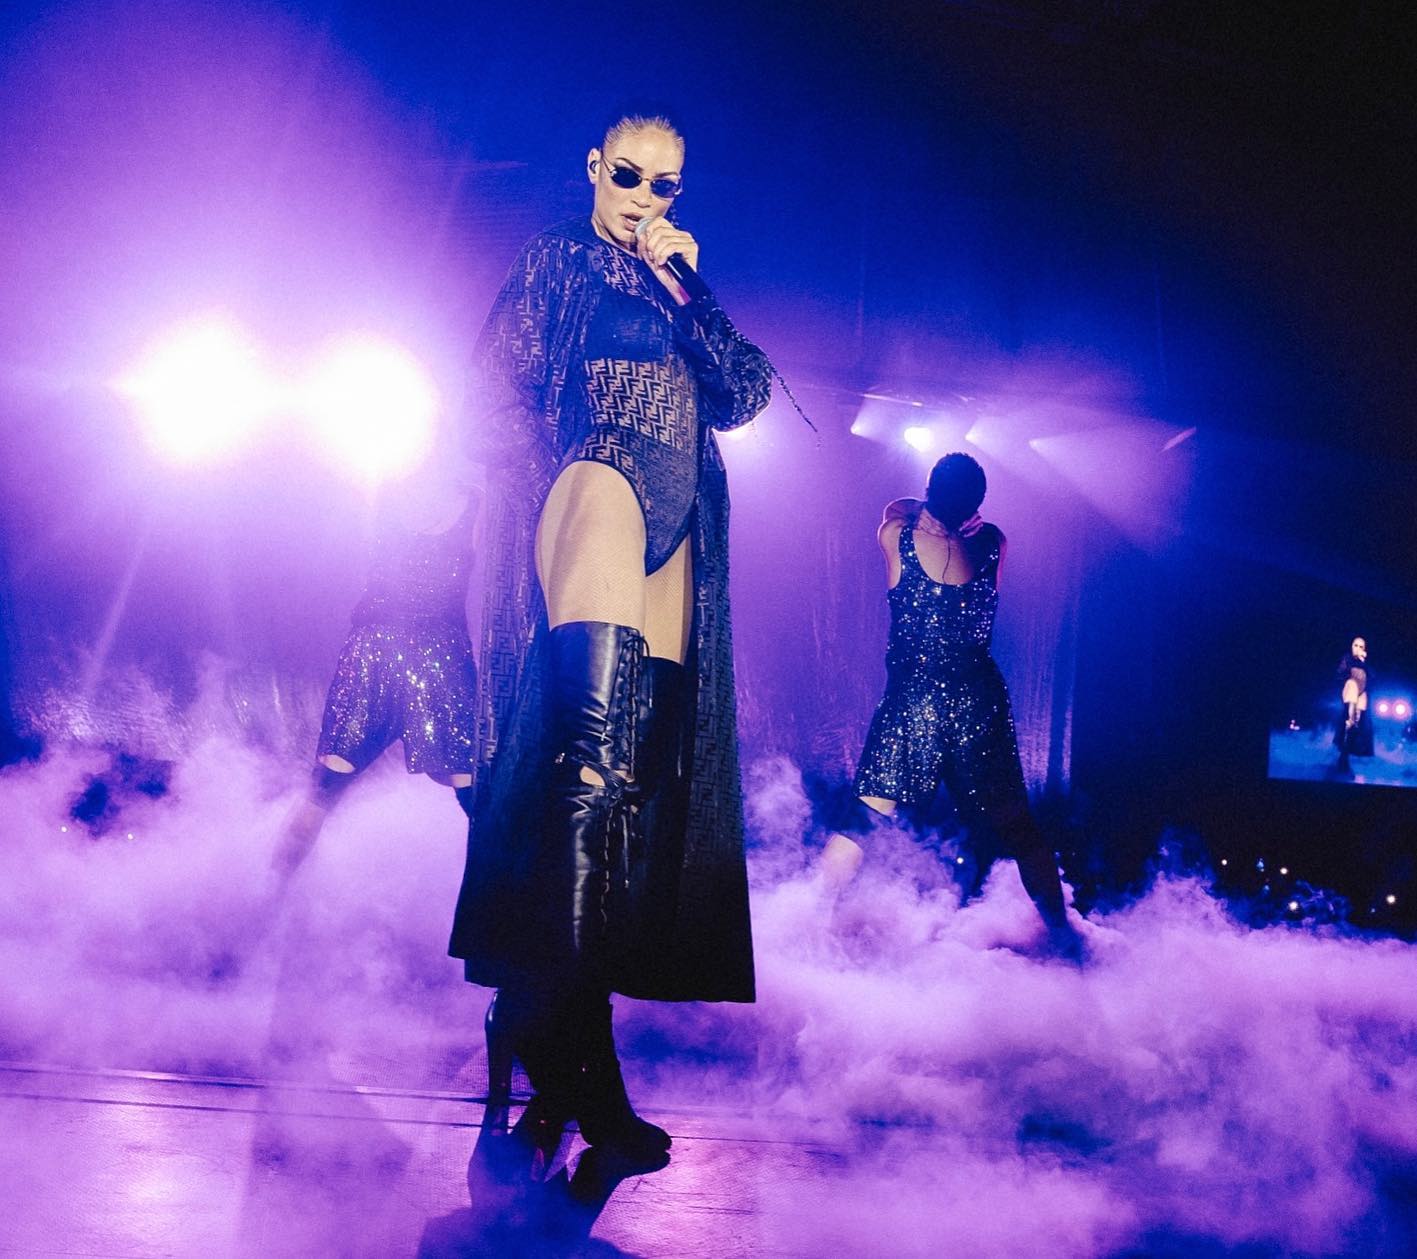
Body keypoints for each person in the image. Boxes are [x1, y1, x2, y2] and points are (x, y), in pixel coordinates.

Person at [448, 106, 772, 1170]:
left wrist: (690, 286)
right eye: (626, 175)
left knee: (632, 788)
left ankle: (539, 1029)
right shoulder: (557, 259)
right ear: (594, 167)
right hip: (598, 477)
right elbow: (488, 395)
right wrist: (549, 483)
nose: (642, 197)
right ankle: (587, 1076)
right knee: (585, 772)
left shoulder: (676, 279)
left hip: (680, 515)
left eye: (663, 183)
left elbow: (745, 393)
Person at [821, 452, 1086, 961]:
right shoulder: (992, 543)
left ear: (930, 490)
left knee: (865, 815)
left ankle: (813, 920)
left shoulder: (896, 536)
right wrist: (963, 517)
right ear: (977, 503)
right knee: (1018, 824)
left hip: (914, 698)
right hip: (976, 702)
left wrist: (926, 507)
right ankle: (1063, 933)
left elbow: (895, 508)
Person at [271, 454, 481, 877]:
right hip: (383, 652)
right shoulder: (386, 488)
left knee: (477, 797)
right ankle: (269, 893)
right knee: (326, 788)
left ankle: (505, 906)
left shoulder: (472, 501)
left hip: (431, 657)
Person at [1335, 636, 1371, 776]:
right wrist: (1355, 663)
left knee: (1355, 725)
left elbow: (1373, 676)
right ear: (1351, 646)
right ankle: (1350, 721)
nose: (1358, 649)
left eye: (1361, 647)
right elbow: (1340, 674)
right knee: (1352, 686)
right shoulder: (1347, 659)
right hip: (1350, 691)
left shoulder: (1364, 663)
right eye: (1355, 645)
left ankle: (1345, 757)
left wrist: (1363, 662)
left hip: (1361, 694)